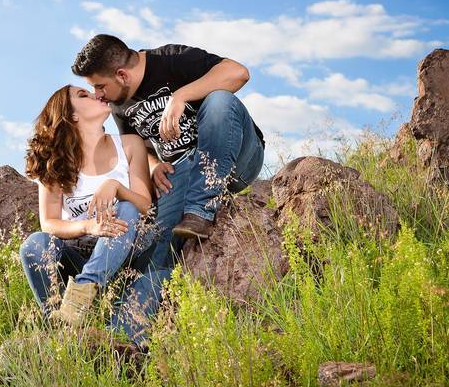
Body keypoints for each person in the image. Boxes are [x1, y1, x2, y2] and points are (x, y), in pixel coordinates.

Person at [70, 34, 265, 330]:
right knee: (158, 253)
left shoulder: (172, 59)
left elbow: (238, 73)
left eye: (99, 86)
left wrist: (181, 96)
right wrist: (155, 165)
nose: (98, 95)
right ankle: (124, 335)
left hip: (236, 158)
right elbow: (140, 149)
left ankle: (201, 211)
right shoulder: (121, 106)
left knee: (221, 101)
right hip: (182, 173)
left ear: (122, 75)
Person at [19, 84, 158, 340]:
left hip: (126, 250)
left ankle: (80, 296)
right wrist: (87, 226)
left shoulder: (129, 145)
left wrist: (116, 187)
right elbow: (49, 223)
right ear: (71, 115)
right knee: (34, 244)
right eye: (83, 95)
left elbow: (145, 207)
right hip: (80, 251)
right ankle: (59, 324)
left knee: (125, 207)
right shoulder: (55, 160)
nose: (96, 94)